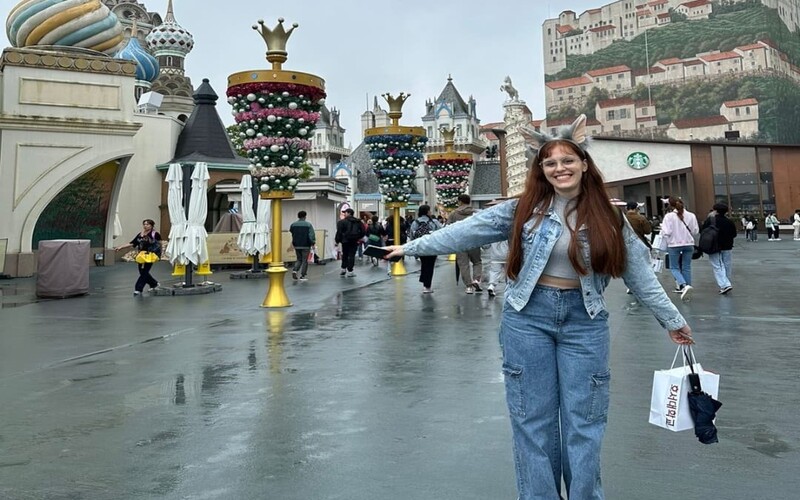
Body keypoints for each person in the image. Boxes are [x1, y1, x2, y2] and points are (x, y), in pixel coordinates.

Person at [384, 115, 693, 500]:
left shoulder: (609, 215)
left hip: (585, 321)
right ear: (541, 169)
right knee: (533, 420)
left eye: (567, 160)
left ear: (583, 163)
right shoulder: (523, 209)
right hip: (528, 319)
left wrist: (672, 320)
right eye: (550, 163)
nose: (559, 168)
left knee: (586, 422)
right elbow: (466, 230)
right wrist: (409, 248)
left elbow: (639, 274)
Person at [660, 196, 699, 301]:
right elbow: (695, 231)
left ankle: (683, 285)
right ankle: (688, 286)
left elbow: (666, 232)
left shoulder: (669, 217)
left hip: (674, 244)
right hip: (689, 243)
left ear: (671, 206)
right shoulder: (691, 215)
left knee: (674, 267)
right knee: (686, 267)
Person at [114, 219, 162, 296]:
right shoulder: (140, 234)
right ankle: (154, 283)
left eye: (147, 224)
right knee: (142, 271)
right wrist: (121, 247)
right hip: (141, 255)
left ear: (152, 225)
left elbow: (159, 244)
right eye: (144, 224)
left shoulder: (155, 234)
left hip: (150, 255)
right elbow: (133, 243)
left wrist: (158, 254)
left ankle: (138, 289)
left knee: (145, 271)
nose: (145, 226)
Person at [449, 193, 483, 294]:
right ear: (469, 202)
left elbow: (448, 228)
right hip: (474, 240)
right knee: (477, 262)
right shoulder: (476, 213)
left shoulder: (453, 214)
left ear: (460, 201)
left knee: (464, 265)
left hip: (460, 242)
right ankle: (476, 280)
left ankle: (468, 287)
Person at [702, 203, 737, 295]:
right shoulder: (729, 222)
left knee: (717, 265)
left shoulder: (710, 220)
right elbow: (734, 234)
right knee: (727, 265)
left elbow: (703, 231)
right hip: (728, 246)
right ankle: (727, 282)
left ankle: (725, 285)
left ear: (715, 210)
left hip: (713, 246)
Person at [408, 205, 442, 293]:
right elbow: (441, 232)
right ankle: (427, 286)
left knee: (424, 264)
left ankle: (424, 282)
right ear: (427, 212)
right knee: (430, 266)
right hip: (431, 247)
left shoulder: (415, 222)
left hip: (421, 247)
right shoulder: (434, 222)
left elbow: (411, 235)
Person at [335, 208, 364, 277]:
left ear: (349, 213)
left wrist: (337, 240)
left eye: (345, 212)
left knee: (345, 254)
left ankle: (343, 269)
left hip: (345, 241)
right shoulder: (358, 222)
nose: (344, 214)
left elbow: (339, 232)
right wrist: (358, 237)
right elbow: (363, 231)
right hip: (354, 241)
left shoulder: (341, 222)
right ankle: (350, 271)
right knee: (351, 255)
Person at [289, 211, 315, 281]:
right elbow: (311, 235)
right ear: (305, 216)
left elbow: (291, 231)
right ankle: (302, 275)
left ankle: (295, 270)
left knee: (299, 259)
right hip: (306, 245)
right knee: (304, 260)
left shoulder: (293, 225)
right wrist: (312, 243)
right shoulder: (308, 225)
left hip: (297, 245)